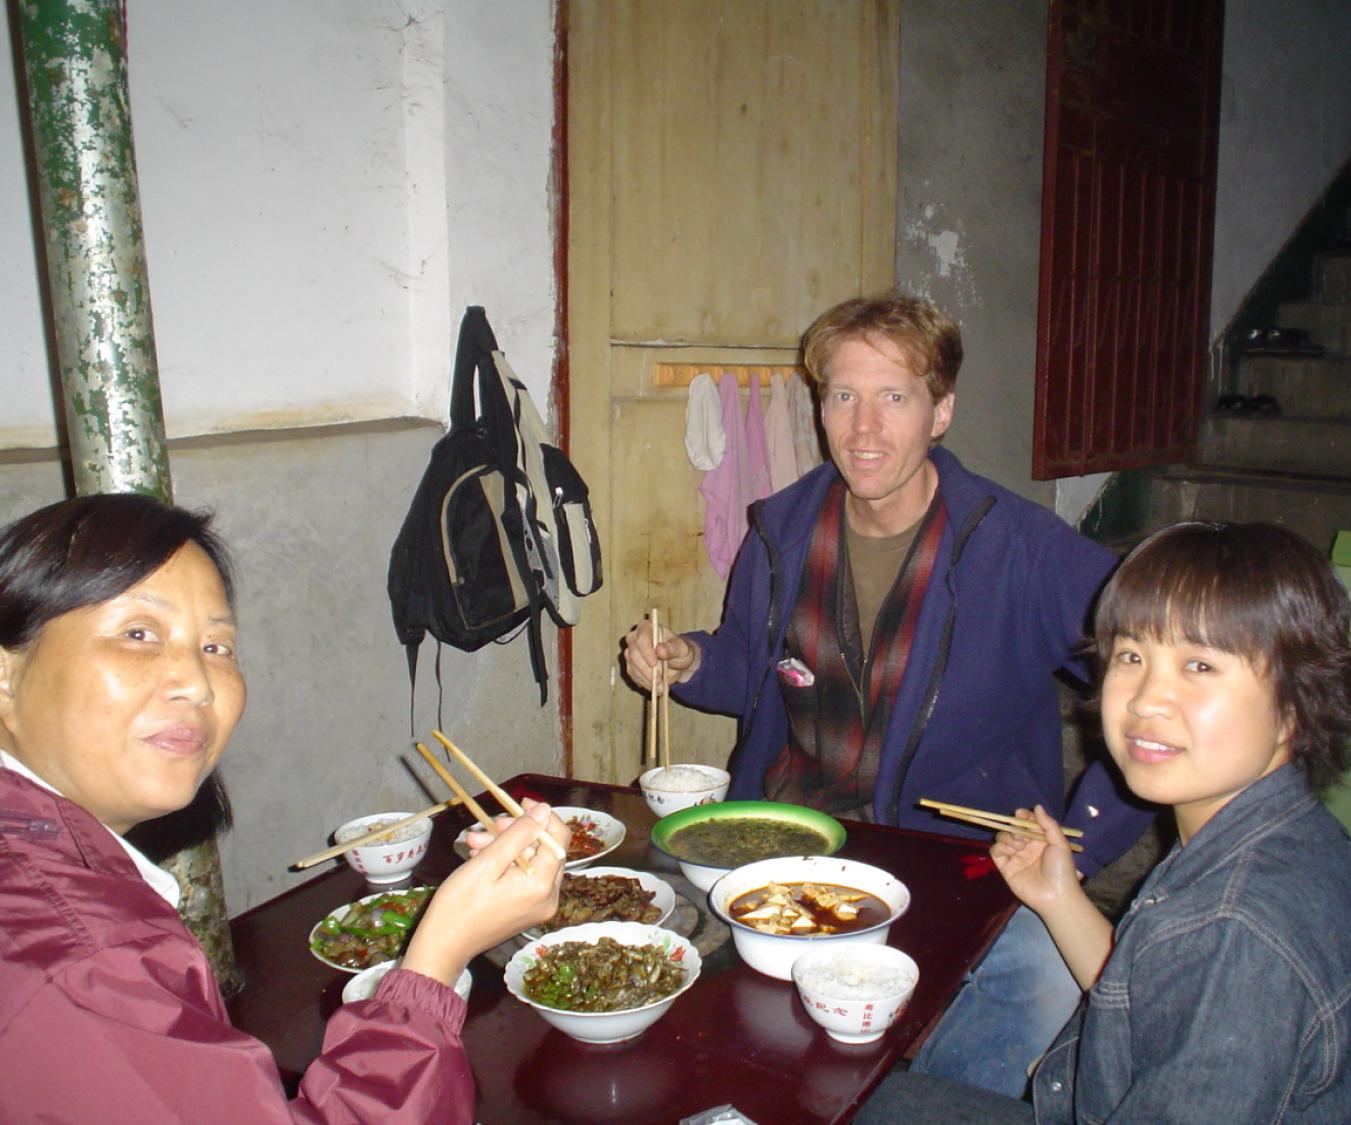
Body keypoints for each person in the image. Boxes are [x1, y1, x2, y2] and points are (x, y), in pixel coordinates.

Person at [622, 293, 1156, 1093]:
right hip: (792, 841)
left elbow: (1154, 698)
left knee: (1049, 983)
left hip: (958, 865)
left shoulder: (1018, 547)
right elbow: (756, 670)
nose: (864, 429)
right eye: (844, 396)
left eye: (894, 397)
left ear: (941, 410)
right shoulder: (781, 533)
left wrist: (1077, 846)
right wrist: (689, 660)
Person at [0, 493, 568, 1122]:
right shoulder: (74, 958)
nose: (195, 680)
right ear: (6, 672)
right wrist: (436, 959)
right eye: (139, 635)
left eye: (216, 647)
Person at [857, 522, 1351, 1123]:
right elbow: (1148, 1003)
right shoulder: (1274, 828)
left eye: (1199, 665)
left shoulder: (1238, 929)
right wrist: (1059, 897)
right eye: (1131, 655)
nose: (1147, 698)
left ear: (1296, 703)